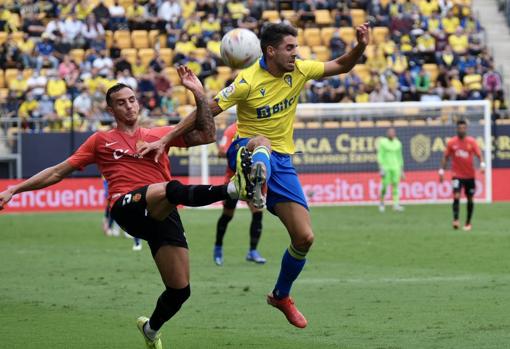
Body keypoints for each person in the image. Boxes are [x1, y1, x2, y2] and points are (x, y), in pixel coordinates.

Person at [0, 66, 252, 349]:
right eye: (121, 102)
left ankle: (150, 329)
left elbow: (207, 134)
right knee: (171, 189)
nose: (129, 106)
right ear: (111, 110)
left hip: (162, 211)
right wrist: (14, 189)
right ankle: (233, 189)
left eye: (132, 100)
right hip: (127, 205)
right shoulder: (101, 141)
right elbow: (58, 171)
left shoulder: (160, 134)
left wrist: (197, 93)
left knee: (180, 290)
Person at [138, 22, 370, 329]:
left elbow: (341, 64)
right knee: (261, 143)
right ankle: (253, 182)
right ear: (271, 51)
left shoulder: (299, 70)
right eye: (290, 47)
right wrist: (165, 139)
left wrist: (361, 46)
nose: (296, 52)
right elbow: (206, 110)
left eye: (296, 47)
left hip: (283, 163)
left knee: (304, 237)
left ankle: (280, 295)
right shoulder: (246, 82)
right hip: (244, 150)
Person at [214, 122, 266, 266]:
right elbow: (220, 152)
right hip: (234, 180)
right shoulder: (231, 130)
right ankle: (218, 248)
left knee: (258, 212)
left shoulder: (261, 127)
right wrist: (241, 153)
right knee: (227, 215)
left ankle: (253, 251)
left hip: (253, 180)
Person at [439, 119, 485, 231]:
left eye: (463, 128)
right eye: (459, 128)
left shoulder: (471, 142)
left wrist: (483, 165)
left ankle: (468, 223)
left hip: (469, 175)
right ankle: (455, 220)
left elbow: (479, 155)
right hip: (457, 175)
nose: (461, 130)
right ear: (457, 129)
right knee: (456, 196)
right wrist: (441, 171)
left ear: (466, 129)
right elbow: (445, 157)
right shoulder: (452, 143)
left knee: (470, 199)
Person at [377, 127, 405, 212]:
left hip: (395, 167)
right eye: (390, 132)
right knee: (384, 186)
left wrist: (401, 170)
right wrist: (381, 167)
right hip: (386, 167)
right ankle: (381, 202)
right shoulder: (383, 143)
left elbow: (400, 157)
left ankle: (396, 204)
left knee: (396, 186)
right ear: (387, 134)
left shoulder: (398, 143)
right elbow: (380, 155)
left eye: (393, 132)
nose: (391, 134)